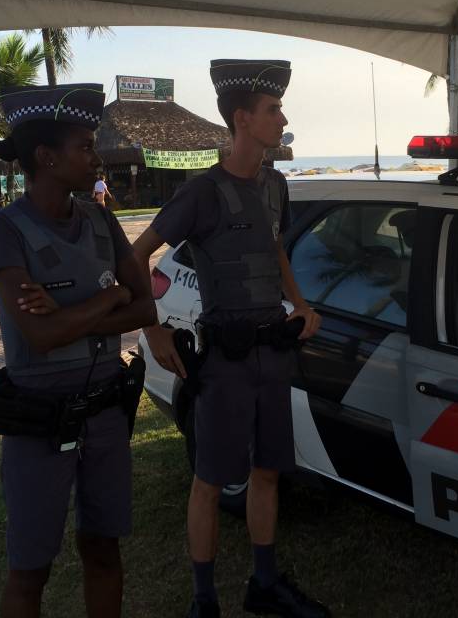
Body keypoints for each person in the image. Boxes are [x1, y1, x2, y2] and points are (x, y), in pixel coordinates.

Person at [132, 60, 327, 618]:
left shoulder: (275, 185)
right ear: (242, 119)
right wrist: (153, 327)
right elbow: (135, 255)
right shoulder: (202, 193)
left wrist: (300, 303)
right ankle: (204, 600)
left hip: (272, 352)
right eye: (273, 110)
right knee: (211, 480)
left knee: (268, 470)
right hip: (225, 361)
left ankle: (263, 584)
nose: (282, 119)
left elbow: (276, 247)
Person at [0, 83, 156, 618]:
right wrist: (110, 296)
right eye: (85, 146)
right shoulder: (2, 230)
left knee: (103, 548)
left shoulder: (101, 220)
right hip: (39, 420)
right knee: (31, 568)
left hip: (105, 412)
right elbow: (41, 337)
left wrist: (69, 314)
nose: (96, 157)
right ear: (47, 157)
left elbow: (146, 310)